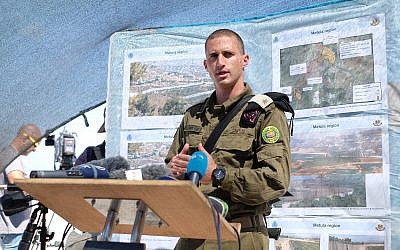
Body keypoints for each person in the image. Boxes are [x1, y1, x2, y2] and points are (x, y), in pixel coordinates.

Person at [165, 29, 291, 250]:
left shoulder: (266, 114)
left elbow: (275, 181)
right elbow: (172, 165)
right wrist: (176, 171)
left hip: (240, 235)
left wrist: (218, 174)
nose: (220, 62)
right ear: (206, 65)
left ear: (244, 61)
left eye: (228, 54)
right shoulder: (193, 116)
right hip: (193, 235)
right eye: (213, 56)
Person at [0, 124, 41, 250]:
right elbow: (15, 179)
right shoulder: (12, 154)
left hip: (12, 227)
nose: (35, 149)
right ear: (24, 138)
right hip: (13, 227)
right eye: (35, 145)